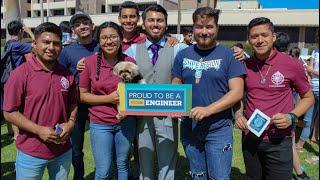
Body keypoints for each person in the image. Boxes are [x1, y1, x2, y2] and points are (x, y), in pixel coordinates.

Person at [234, 17, 314, 179]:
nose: (260, 40)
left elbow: (308, 97)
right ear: (248, 39)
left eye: (264, 35)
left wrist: (291, 116)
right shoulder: (244, 65)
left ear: (273, 37)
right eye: (254, 36)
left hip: (279, 140)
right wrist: (238, 114)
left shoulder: (291, 64)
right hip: (251, 138)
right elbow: (239, 97)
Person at [172, 7, 246, 179]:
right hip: (189, 128)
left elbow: (237, 92)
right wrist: (172, 106)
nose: (204, 32)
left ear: (217, 28)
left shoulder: (229, 55)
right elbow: (176, 84)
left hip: (218, 129)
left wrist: (208, 110)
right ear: (193, 28)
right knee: (198, 176)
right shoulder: (183, 55)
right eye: (199, 26)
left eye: (209, 27)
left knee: (219, 177)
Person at [3, 22, 77, 180]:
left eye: (56, 43)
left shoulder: (67, 74)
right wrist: (38, 130)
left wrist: (70, 123)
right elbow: (9, 112)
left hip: (62, 150)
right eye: (46, 42)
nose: (51, 47)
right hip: (31, 152)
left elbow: (73, 103)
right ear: (34, 44)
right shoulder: (20, 74)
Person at [124, 4, 189, 180]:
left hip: (168, 116)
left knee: (167, 165)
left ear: (166, 24)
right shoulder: (131, 51)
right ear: (143, 24)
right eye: (151, 20)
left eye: (160, 20)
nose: (155, 24)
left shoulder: (179, 49)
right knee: (144, 164)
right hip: (142, 117)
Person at [79, 21, 136, 180]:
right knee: (103, 170)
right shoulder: (88, 63)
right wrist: (109, 99)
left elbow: (136, 92)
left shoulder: (130, 61)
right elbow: (82, 95)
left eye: (113, 37)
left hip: (126, 123)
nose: (109, 41)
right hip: (100, 124)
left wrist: (127, 110)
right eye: (104, 38)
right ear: (98, 40)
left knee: (123, 164)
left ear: (120, 38)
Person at [58, 11, 98, 180]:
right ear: (73, 30)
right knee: (76, 146)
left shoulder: (102, 45)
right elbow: (59, 77)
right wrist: (76, 69)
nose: (82, 26)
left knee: (105, 142)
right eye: (77, 24)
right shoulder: (67, 51)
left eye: (85, 22)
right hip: (77, 103)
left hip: (101, 102)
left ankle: (108, 172)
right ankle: (79, 176)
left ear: (92, 25)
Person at [274, 32, 314, 180]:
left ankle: (300, 173)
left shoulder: (288, 63)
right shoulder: (293, 62)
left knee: (288, 142)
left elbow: (305, 92)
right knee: (289, 141)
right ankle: (300, 173)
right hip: (289, 109)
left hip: (286, 111)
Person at [1, 20, 34, 141]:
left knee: (8, 105)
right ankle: (16, 134)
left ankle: (10, 131)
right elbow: (38, 44)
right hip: (14, 80)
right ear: (21, 31)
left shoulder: (9, 43)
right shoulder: (18, 45)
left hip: (5, 79)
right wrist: (30, 32)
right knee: (16, 107)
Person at [296, 28, 319, 149]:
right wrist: (310, 75)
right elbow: (308, 69)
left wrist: (312, 71)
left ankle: (314, 137)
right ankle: (301, 142)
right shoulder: (315, 51)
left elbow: (311, 69)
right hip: (313, 89)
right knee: (308, 118)